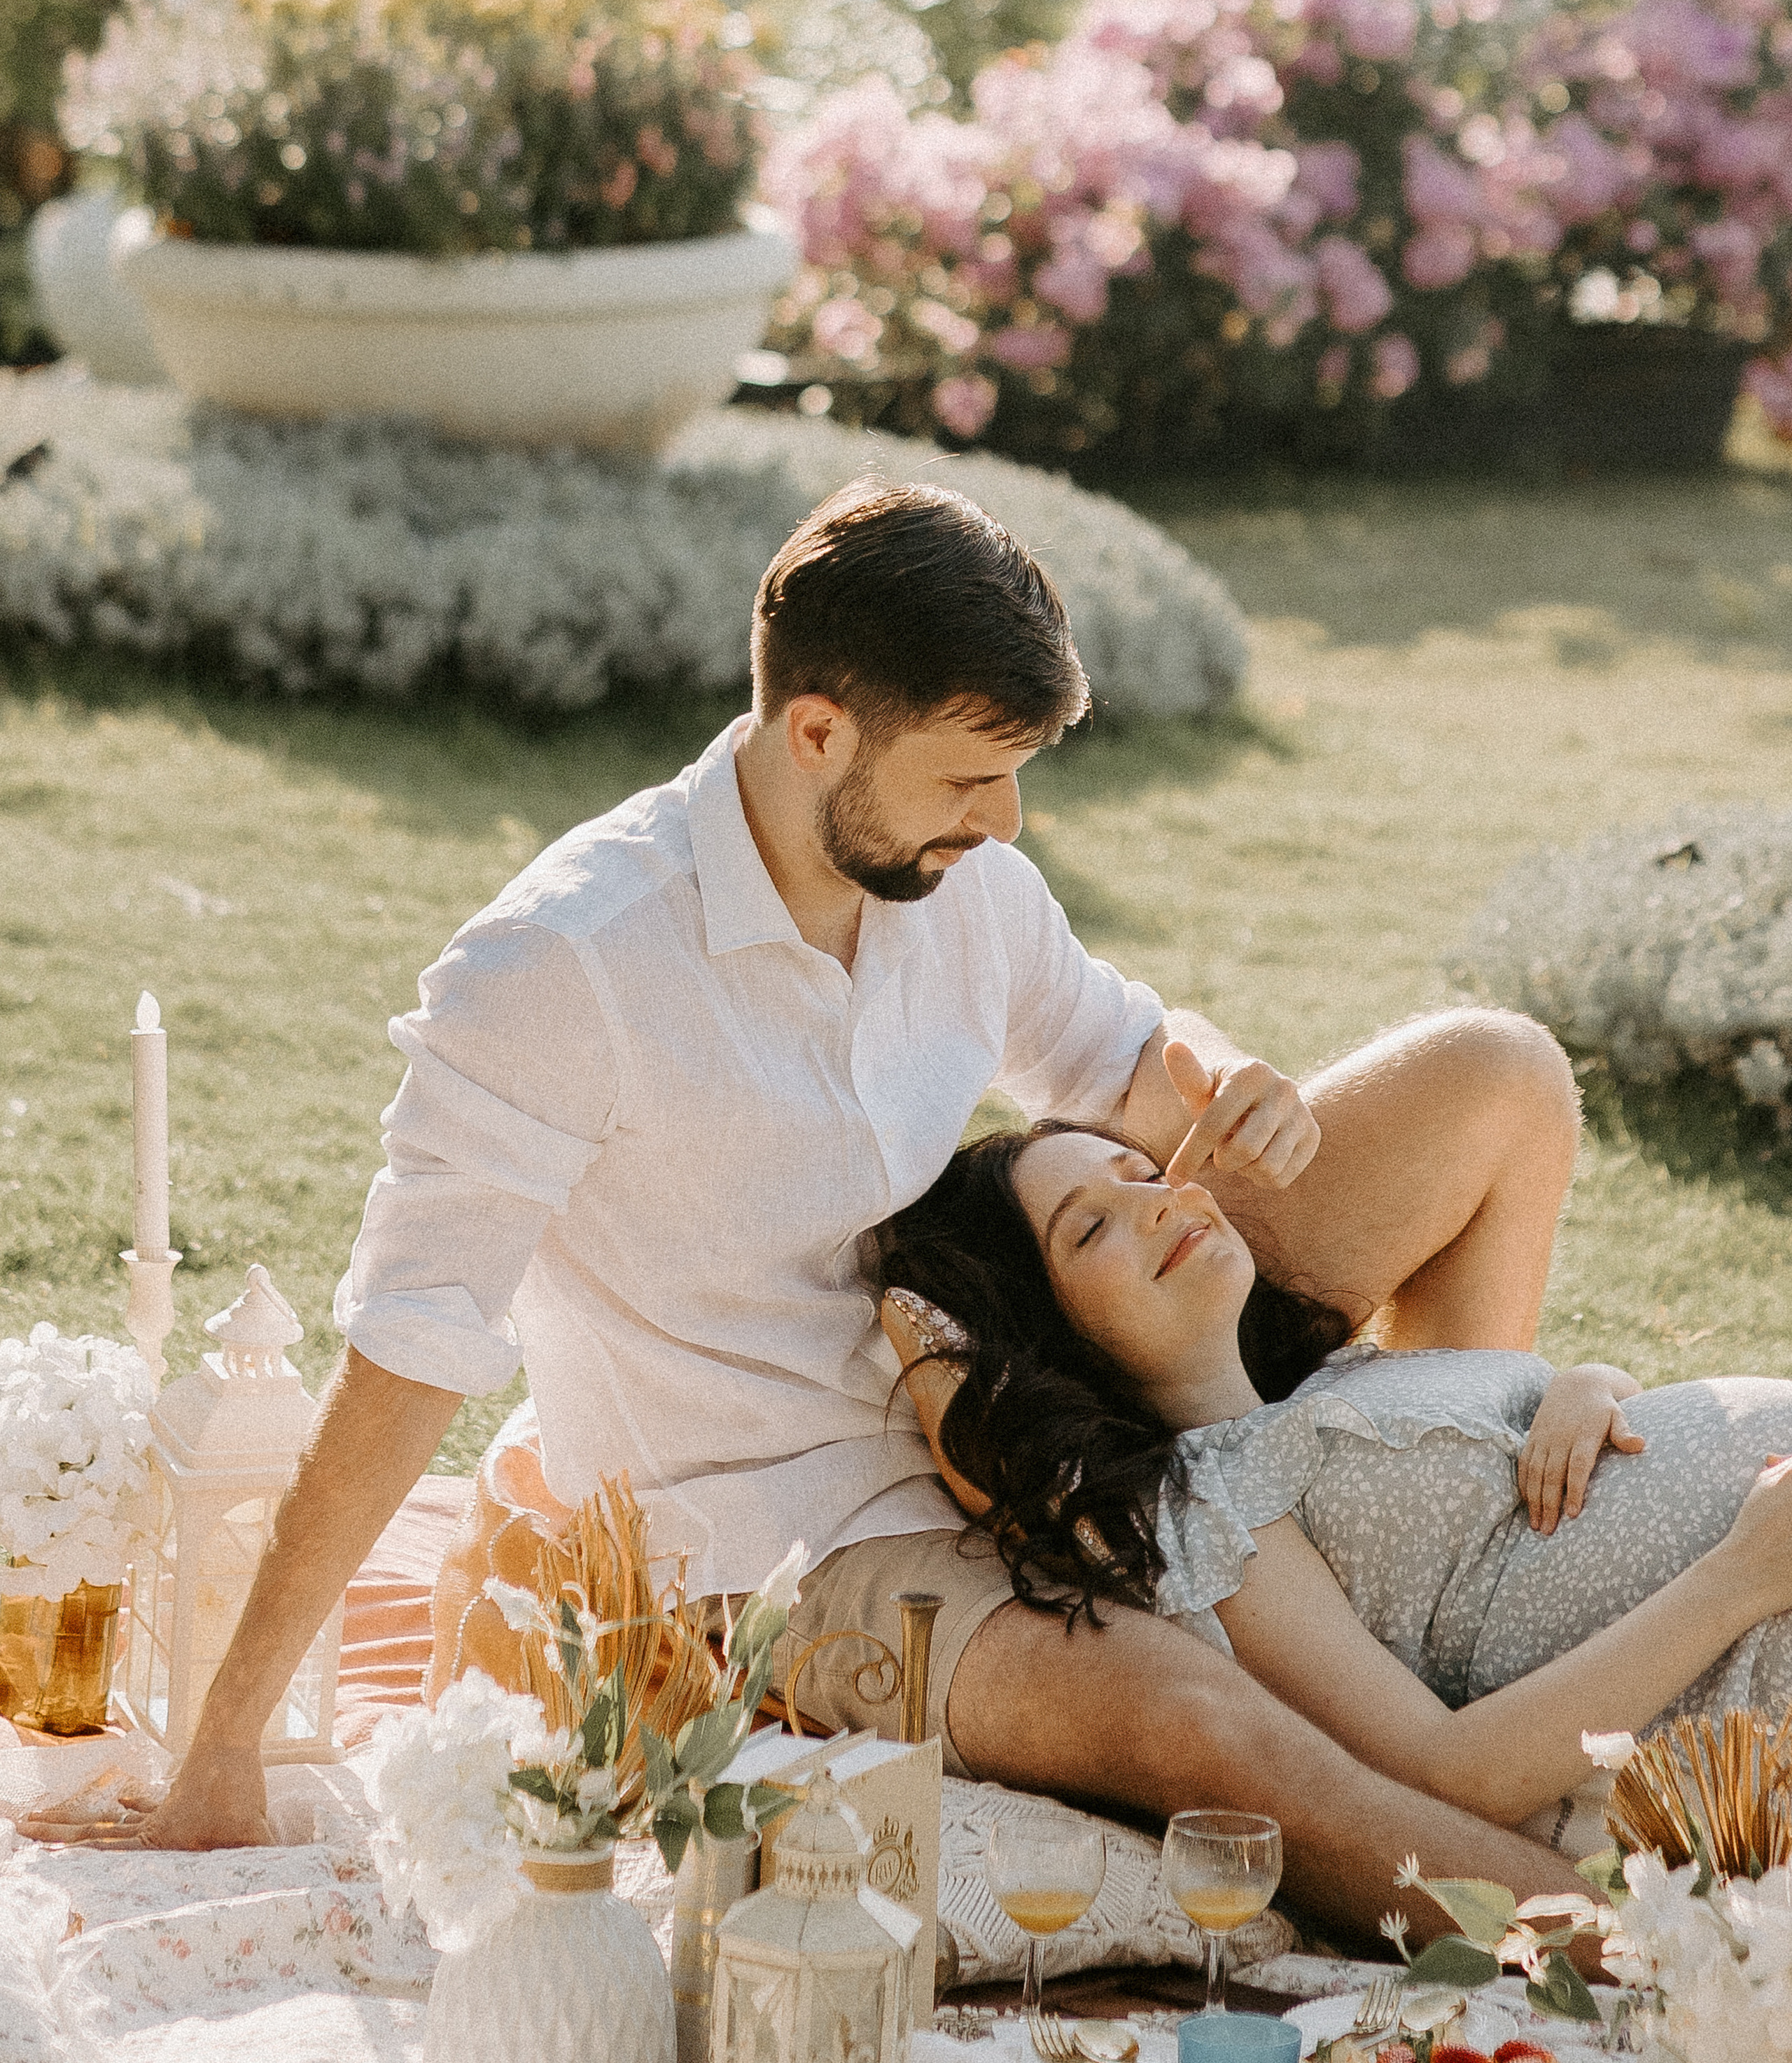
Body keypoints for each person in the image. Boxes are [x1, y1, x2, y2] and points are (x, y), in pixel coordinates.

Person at [108, 475, 1587, 1948]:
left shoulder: (966, 883)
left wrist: (1223, 1074)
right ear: (815, 732)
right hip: (799, 1540)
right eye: (967, 778)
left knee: (1492, 1079)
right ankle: (1615, 1947)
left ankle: (1454, 1583)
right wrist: (226, 1740)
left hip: (1032, 1366)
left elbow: (1124, 1059)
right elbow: (408, 1348)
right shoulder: (560, 971)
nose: (1004, 822)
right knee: (1193, 1721)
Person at [876, 1117, 1792, 1834]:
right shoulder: (1213, 1516)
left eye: (1144, 1174)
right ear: (1049, 1337)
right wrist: (1738, 1580)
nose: (1159, 1203)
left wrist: (1589, 1391)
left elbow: (1554, 1455)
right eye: (1090, 1228)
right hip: (1756, 1638)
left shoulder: (1337, 1381)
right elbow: (1450, 1773)